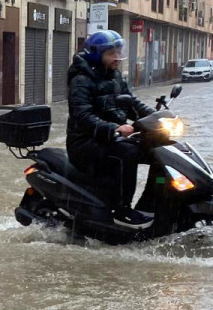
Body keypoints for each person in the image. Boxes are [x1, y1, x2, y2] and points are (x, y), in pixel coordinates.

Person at [66, 30, 156, 228]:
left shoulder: (115, 76)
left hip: (109, 139)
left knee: (156, 150)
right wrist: (115, 128)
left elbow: (132, 103)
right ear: (97, 55)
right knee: (129, 152)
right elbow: (83, 117)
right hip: (85, 143)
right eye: (111, 53)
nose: (117, 57)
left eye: (118, 51)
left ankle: (153, 203)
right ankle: (121, 210)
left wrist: (156, 117)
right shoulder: (81, 80)